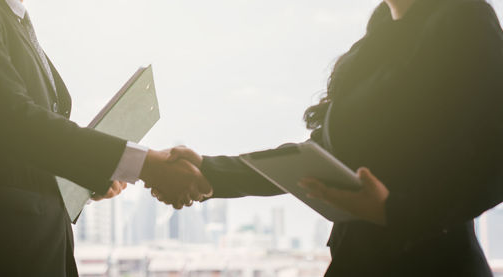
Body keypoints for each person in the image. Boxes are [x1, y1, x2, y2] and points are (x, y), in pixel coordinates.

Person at [163, 0, 503, 275]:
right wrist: (211, 170)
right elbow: (320, 156)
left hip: (432, 265)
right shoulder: (380, 36)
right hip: (359, 260)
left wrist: (394, 211)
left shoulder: (464, 19)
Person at [0, 0, 210, 276]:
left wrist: (86, 177)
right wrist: (144, 164)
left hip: (40, 252)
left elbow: (18, 150)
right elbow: (13, 122)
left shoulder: (15, 19)